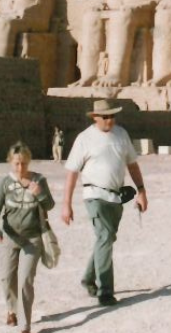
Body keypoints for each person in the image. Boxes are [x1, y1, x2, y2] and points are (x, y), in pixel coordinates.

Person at [61, 99, 148, 306]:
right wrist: (66, 203)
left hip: (116, 197)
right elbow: (72, 172)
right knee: (106, 236)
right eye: (105, 117)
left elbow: (132, 165)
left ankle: (88, 278)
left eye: (112, 116)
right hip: (94, 195)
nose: (110, 120)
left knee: (105, 239)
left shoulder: (121, 135)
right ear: (95, 117)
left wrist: (142, 191)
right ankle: (105, 291)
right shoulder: (85, 139)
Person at [0, 142, 55, 333]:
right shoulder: (5, 183)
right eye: (16, 163)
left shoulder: (39, 180)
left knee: (25, 279)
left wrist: (40, 194)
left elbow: (50, 205)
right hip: (9, 238)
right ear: (10, 162)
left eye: (24, 163)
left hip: (32, 239)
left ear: (29, 162)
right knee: (7, 278)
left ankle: (25, 324)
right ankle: (11, 309)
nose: (20, 168)